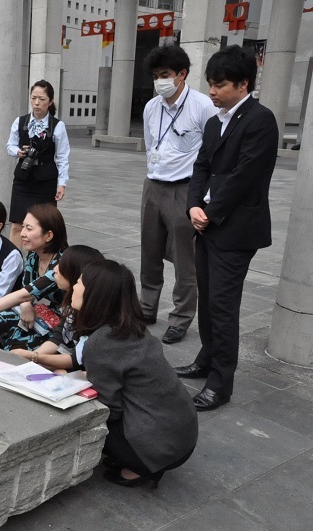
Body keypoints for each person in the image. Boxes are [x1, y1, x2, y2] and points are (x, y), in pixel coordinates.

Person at [176, 45, 279, 412]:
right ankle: (206, 358)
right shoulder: (214, 121)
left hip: (235, 230)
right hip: (207, 223)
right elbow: (201, 166)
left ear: (243, 83)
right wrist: (192, 205)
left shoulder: (260, 120)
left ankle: (221, 383)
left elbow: (244, 177)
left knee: (223, 306)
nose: (212, 92)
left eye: (219, 85)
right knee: (207, 297)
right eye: (210, 84)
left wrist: (210, 211)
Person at [73, 260, 197, 488]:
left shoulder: (102, 341)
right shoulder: (130, 326)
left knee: (81, 418)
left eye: (79, 282)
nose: (74, 286)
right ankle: (141, 460)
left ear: (94, 294)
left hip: (161, 447)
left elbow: (110, 409)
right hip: (183, 436)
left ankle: (142, 467)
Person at [140, 45, 217, 345]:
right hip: (153, 185)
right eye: (156, 76)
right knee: (149, 251)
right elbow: (150, 144)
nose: (161, 81)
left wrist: (203, 199)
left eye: (166, 75)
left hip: (186, 189)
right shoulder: (151, 107)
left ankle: (180, 318)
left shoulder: (202, 106)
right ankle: (147, 308)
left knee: (186, 258)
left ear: (182, 74)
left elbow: (212, 155)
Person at [0, 204, 67, 351]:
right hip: (43, 311)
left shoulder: (61, 264)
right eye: (23, 227)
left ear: (48, 236)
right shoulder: (34, 255)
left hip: (67, 323)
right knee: (0, 320)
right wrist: (26, 304)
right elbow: (26, 289)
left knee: (12, 339)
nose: (21, 233)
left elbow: (24, 294)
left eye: (29, 228)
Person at [9, 245, 103, 371]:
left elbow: (77, 360)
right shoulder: (74, 303)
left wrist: (34, 357)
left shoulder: (100, 321)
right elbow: (59, 336)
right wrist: (33, 358)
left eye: (62, 265)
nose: (55, 269)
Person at [6, 80, 70, 249]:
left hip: (46, 180)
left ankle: (39, 265)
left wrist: (62, 183)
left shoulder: (57, 126)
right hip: (23, 179)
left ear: (50, 101)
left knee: (43, 227)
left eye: (41, 99)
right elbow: (10, 146)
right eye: (33, 98)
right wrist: (18, 152)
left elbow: (63, 156)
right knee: (17, 225)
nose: (36, 103)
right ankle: (15, 265)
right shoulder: (20, 122)